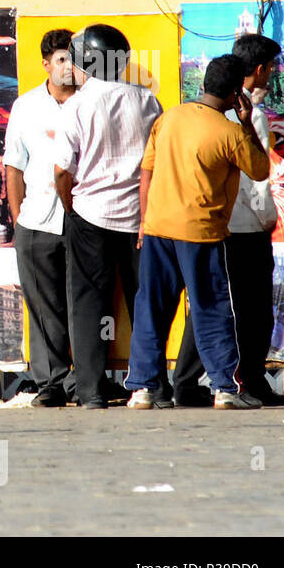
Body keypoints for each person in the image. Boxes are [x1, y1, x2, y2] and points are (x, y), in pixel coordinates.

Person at [125, 54, 270, 410]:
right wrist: (247, 122)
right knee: (211, 308)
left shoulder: (169, 117)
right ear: (238, 93)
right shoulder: (231, 132)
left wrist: (144, 221)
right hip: (201, 233)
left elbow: (147, 173)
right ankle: (225, 388)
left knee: (151, 308)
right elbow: (261, 169)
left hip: (158, 228)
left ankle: (142, 388)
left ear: (203, 83)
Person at [172, 35, 284, 407]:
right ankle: (248, 381)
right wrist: (266, 221)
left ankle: (185, 380)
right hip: (243, 226)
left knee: (209, 303)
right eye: (272, 69)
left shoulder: (195, 111)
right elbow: (257, 180)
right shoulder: (251, 117)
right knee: (253, 309)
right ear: (259, 70)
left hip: (208, 222)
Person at [52, 24, 162, 408]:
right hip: (140, 217)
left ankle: (91, 390)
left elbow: (63, 171)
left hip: (90, 214)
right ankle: (151, 386)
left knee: (90, 303)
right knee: (143, 300)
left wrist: (70, 206)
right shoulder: (147, 101)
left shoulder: (77, 105)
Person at [5, 28, 79, 407]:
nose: (67, 66)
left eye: (73, 58)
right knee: (43, 305)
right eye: (61, 59)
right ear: (46, 64)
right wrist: (19, 221)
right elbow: (14, 168)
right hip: (37, 219)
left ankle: (84, 380)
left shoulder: (91, 102)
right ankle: (51, 382)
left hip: (85, 218)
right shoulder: (27, 106)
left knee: (83, 302)